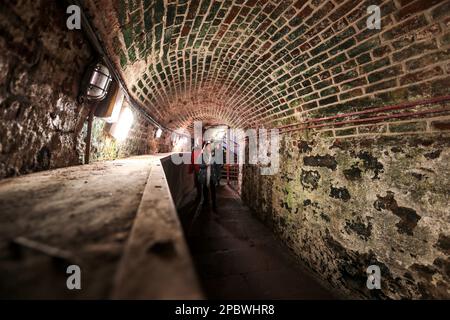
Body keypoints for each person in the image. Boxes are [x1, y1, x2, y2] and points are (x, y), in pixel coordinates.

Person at [197, 142, 218, 211]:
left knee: (213, 190)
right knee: (205, 189)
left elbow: (217, 166)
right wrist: (206, 165)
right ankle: (206, 202)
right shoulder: (202, 155)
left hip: (212, 175)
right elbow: (199, 164)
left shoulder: (214, 155)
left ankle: (214, 204)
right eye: (208, 146)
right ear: (205, 147)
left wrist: (218, 176)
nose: (209, 148)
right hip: (205, 175)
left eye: (210, 147)